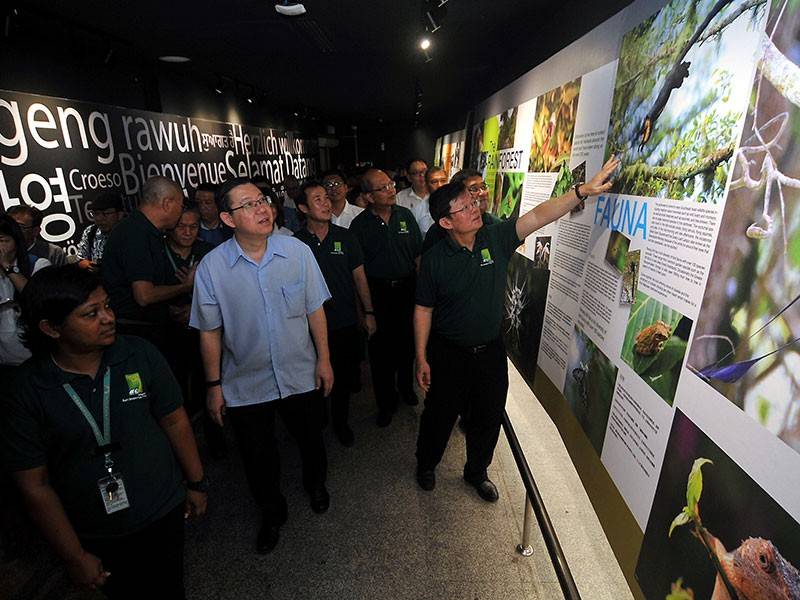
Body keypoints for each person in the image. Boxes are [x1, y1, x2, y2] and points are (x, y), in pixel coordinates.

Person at [414, 157, 619, 500]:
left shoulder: (494, 237)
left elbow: (539, 215)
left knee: (488, 415)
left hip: (490, 352)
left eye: (474, 200)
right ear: (446, 222)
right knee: (440, 415)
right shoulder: (434, 260)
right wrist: (421, 356)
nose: (475, 207)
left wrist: (581, 191)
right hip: (448, 353)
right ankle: (426, 464)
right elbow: (423, 309)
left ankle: (476, 471)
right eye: (464, 207)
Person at [1, 264, 207, 599]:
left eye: (107, 306)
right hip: (95, 529)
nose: (108, 318)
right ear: (52, 328)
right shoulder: (27, 390)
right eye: (90, 313)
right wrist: (74, 555)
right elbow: (34, 485)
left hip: (162, 507)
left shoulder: (139, 353)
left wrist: (197, 483)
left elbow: (175, 420)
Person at [190, 177, 333, 555]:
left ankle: (316, 485)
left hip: (300, 373)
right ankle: (272, 512)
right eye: (248, 205)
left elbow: (314, 308)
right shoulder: (212, 268)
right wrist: (214, 386)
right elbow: (209, 331)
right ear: (228, 218)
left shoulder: (297, 252)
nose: (262, 209)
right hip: (245, 382)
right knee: (257, 456)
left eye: (263, 201)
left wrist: (325, 360)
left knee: (310, 438)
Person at [294, 181, 377, 446]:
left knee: (343, 378)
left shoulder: (345, 237)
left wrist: (369, 312)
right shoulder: (295, 245)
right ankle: (316, 421)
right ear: (302, 207)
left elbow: (359, 278)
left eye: (326, 198)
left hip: (344, 322)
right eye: (317, 199)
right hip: (307, 327)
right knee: (311, 378)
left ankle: (341, 422)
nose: (326, 203)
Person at [349, 169, 423, 427]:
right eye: (383, 188)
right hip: (377, 293)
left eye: (391, 184)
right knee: (380, 352)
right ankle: (385, 402)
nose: (391, 190)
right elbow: (356, 272)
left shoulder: (406, 216)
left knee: (407, 346)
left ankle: (406, 388)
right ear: (368, 196)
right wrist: (364, 311)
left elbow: (417, 258)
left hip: (407, 290)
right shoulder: (359, 226)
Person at [101, 176, 194, 346]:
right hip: (137, 334)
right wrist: (185, 286)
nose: (181, 213)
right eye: (181, 207)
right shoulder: (135, 234)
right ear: (167, 204)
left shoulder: (146, 231)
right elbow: (144, 295)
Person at [0, 216, 50, 369]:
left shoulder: (38, 264)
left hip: (36, 357)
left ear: (16, 241)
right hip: (4, 363)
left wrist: (8, 267)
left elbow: (36, 298)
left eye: (2, 240)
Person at [422, 169, 500, 254]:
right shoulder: (437, 232)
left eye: (483, 187)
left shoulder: (497, 225)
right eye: (474, 189)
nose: (482, 193)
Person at [77, 191, 125, 265]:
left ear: (120, 214)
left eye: (106, 213)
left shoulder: (130, 233)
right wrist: (86, 264)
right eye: (96, 213)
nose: (99, 218)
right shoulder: (90, 231)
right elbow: (80, 259)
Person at [411, 166, 448, 235]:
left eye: (443, 181)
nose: (440, 185)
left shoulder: (459, 207)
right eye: (434, 182)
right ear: (426, 185)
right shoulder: (416, 212)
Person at [194, 183, 232, 247]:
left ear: (218, 204)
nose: (202, 207)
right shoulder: (191, 229)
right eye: (198, 202)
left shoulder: (230, 228)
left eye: (207, 203)